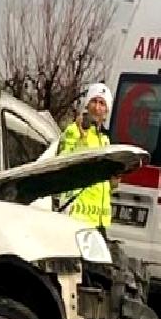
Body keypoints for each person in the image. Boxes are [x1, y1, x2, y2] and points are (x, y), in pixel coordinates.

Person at [59, 82, 114, 229]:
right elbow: (63, 162)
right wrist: (82, 139)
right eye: (94, 101)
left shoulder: (105, 140)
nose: (97, 107)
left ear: (107, 111)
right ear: (87, 105)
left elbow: (104, 184)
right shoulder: (74, 130)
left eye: (102, 103)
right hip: (77, 217)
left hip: (99, 220)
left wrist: (114, 179)